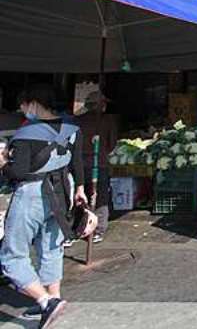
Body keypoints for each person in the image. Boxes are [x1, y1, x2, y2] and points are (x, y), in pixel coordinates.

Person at [0, 84, 88, 328]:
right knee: (51, 246)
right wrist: (80, 189)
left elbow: (17, 173)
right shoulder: (72, 128)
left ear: (34, 103)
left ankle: (45, 301)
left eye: (24, 105)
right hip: (63, 192)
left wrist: (3, 163)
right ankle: (54, 297)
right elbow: (77, 162)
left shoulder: (27, 134)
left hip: (32, 195)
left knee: (11, 254)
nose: (22, 110)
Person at [75, 91, 117, 244]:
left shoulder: (77, 121)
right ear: (101, 105)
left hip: (79, 163)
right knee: (100, 197)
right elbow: (112, 144)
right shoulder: (108, 121)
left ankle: (78, 227)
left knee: (80, 196)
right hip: (99, 163)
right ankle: (97, 230)